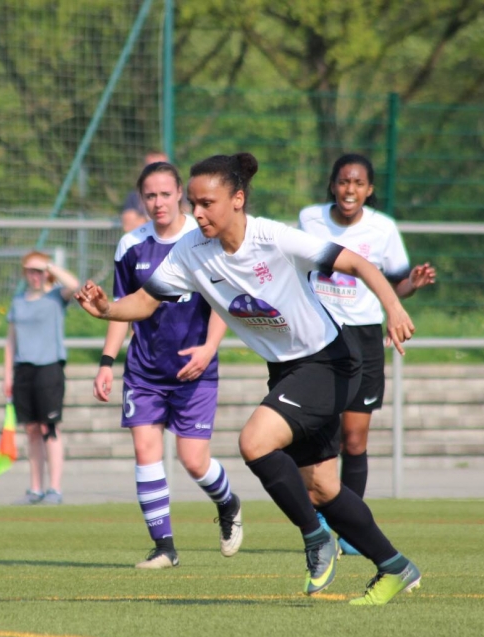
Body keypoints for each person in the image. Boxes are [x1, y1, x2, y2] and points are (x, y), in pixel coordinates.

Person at [77, 152, 421, 606]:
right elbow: (144, 301)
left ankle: (315, 538)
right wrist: (107, 309)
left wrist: (393, 307)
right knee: (321, 488)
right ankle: (395, 566)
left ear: (237, 200)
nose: (197, 212)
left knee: (254, 442)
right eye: (194, 204)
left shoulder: (273, 238)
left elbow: (357, 263)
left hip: (330, 361)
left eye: (207, 203)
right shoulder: (191, 251)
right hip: (286, 370)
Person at [94, 160, 241, 569]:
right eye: (150, 196)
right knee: (146, 451)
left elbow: (223, 302)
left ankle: (228, 503)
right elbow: (122, 309)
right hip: (144, 371)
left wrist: (209, 348)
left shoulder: (203, 239)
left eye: (165, 194)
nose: (158, 202)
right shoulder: (131, 245)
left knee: (193, 460)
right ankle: (164, 547)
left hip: (194, 370)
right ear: (142, 199)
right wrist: (106, 362)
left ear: (180, 194)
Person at [299, 153, 436, 556]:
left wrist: (412, 284)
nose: (350, 190)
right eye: (344, 182)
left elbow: (395, 286)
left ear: (369, 189)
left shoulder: (383, 228)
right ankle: (319, 519)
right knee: (319, 432)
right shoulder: (309, 220)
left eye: (358, 183)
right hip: (319, 333)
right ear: (333, 185)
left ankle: (349, 528)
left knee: (354, 439)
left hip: (364, 338)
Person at [3, 251, 80, 505]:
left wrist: (49, 266)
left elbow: (74, 285)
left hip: (49, 367)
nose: (35, 276)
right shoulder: (18, 301)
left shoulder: (56, 296)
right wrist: (7, 375)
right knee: (32, 429)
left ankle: (54, 488)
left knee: (50, 428)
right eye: (31, 271)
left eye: (39, 271)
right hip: (24, 369)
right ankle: (35, 488)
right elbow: (11, 341)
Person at [120, 150, 170, 232]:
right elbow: (128, 227)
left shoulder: (179, 194)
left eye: (162, 168)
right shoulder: (134, 197)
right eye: (151, 168)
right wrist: (153, 218)